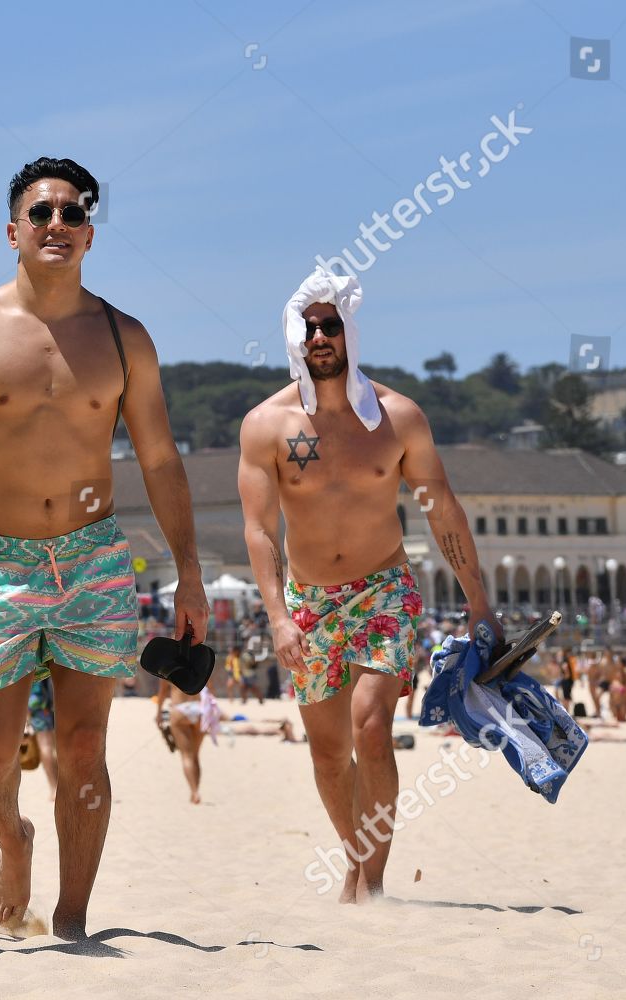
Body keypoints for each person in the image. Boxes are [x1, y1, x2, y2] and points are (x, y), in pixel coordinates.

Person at [0, 156, 210, 939]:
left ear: (90, 234)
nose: (56, 224)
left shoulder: (124, 338)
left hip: (96, 558)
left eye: (72, 214)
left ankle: (72, 919)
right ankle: (13, 840)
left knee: (86, 746)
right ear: (12, 231)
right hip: (0, 559)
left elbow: (161, 460)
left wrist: (190, 576)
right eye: (41, 213)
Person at [237, 267, 500, 904]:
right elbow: (259, 531)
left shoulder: (398, 418)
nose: (319, 336)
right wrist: (276, 616)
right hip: (307, 600)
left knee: (371, 726)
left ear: (349, 332)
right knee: (328, 754)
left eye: (330, 325)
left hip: (383, 588)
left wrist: (478, 600)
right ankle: (356, 861)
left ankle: (373, 883)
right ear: (294, 338)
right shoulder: (266, 425)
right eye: (309, 327)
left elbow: (444, 510)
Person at [155, 678, 212, 804]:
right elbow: (209, 689)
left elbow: (163, 692)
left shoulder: (168, 664)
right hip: (199, 709)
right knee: (195, 755)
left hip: (180, 709)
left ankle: (194, 792)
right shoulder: (203, 660)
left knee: (187, 756)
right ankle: (196, 790)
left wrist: (159, 713)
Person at [27, 676, 59, 800]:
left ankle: (54, 787)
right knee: (58, 746)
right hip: (55, 699)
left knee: (46, 747)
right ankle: (62, 785)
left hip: (38, 703)